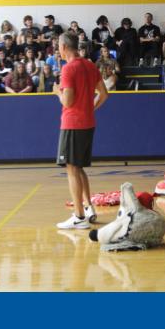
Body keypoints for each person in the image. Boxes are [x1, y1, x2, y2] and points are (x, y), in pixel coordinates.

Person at [53, 32, 109, 229]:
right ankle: (88, 208)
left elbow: (67, 101)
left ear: (64, 47)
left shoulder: (68, 69)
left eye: (58, 46)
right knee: (78, 167)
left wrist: (57, 92)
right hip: (88, 122)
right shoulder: (90, 65)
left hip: (72, 124)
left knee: (71, 168)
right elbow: (104, 94)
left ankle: (78, 216)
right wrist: (89, 108)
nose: (58, 49)